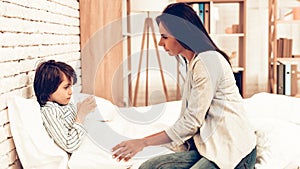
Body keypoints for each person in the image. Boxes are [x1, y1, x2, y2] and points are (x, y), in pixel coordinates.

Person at [112, 3, 256, 169]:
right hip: (210, 147)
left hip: (233, 150)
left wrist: (143, 142)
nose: (160, 43)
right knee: (148, 167)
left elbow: (192, 121)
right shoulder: (194, 61)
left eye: (164, 37)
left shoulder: (207, 61)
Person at [33, 60, 97, 153]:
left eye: (71, 87)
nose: (71, 92)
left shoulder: (65, 104)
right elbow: (70, 145)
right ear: (49, 89)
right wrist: (81, 114)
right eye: (66, 87)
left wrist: (82, 111)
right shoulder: (50, 111)